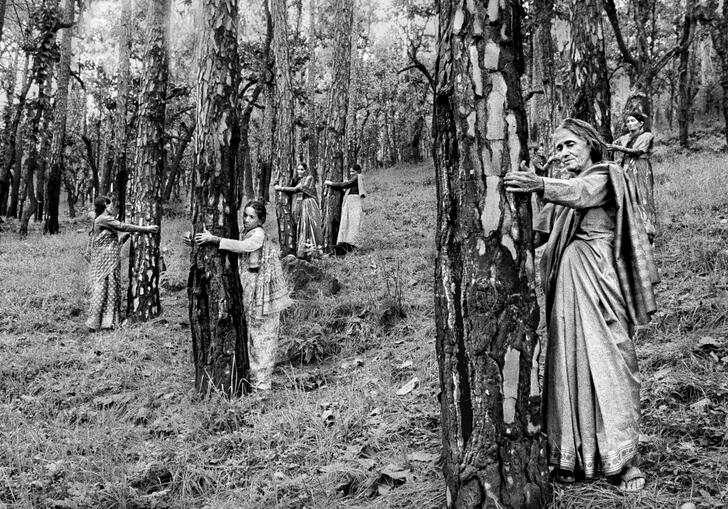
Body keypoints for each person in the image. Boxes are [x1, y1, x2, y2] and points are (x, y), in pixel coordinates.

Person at [504, 118, 658, 493]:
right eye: (557, 149)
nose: (562, 154)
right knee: (568, 365)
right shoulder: (560, 195)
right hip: (567, 288)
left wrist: (540, 184)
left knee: (611, 363)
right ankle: (571, 455)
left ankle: (623, 459)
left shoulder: (607, 175)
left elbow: (579, 192)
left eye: (570, 144)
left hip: (602, 283)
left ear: (591, 144)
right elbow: (537, 232)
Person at [193, 200, 291, 391]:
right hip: (249, 290)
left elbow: (244, 247)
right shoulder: (247, 233)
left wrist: (214, 239)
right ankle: (253, 380)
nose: (246, 219)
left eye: (251, 216)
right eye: (245, 215)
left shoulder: (258, 234)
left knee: (262, 337)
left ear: (261, 220)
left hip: (260, 292)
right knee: (251, 335)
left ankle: (262, 384)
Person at [85, 196, 159, 331]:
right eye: (110, 205)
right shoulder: (103, 219)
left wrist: (129, 234)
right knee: (101, 289)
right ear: (105, 206)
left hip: (109, 260)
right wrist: (146, 229)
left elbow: (112, 240)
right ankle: (95, 322)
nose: (112, 207)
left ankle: (108, 322)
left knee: (111, 288)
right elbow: (122, 226)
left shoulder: (103, 220)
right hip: (104, 261)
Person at [607, 112, 657, 243]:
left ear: (641, 123)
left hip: (641, 168)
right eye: (628, 121)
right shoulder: (624, 138)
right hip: (627, 169)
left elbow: (639, 151)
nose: (629, 124)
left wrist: (619, 148)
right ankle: (631, 232)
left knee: (643, 197)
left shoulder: (646, 136)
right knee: (628, 197)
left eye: (633, 121)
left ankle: (648, 233)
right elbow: (610, 145)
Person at [274, 162, 322, 259]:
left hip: (309, 203)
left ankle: (312, 252)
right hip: (303, 204)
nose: (300, 171)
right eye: (298, 169)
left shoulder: (309, 178)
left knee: (309, 225)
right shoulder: (300, 180)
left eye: (302, 169)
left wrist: (280, 188)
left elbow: (297, 189)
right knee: (303, 226)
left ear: (306, 170)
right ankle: (304, 251)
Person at [324, 163, 366, 254]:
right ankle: (348, 244)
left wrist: (331, 183)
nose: (351, 173)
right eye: (350, 172)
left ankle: (354, 243)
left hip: (354, 201)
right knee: (349, 221)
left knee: (354, 222)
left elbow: (346, 184)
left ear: (358, 171)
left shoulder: (358, 176)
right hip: (351, 201)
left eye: (353, 171)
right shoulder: (356, 178)